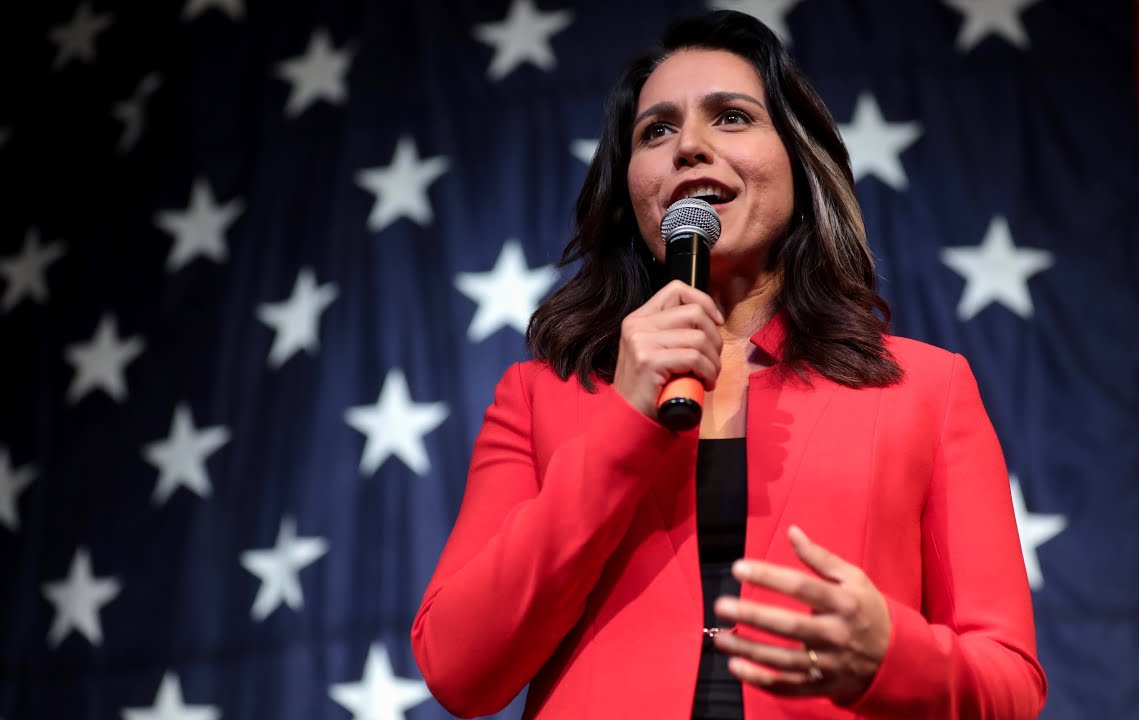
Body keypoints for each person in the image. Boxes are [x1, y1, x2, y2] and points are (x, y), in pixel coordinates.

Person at [411, 10, 1046, 720]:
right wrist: (621, 424)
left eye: (732, 118)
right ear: (630, 189)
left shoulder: (927, 389)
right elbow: (457, 667)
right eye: (655, 130)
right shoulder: (537, 398)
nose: (689, 146)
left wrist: (890, 655)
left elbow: (1011, 687)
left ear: (798, 166)